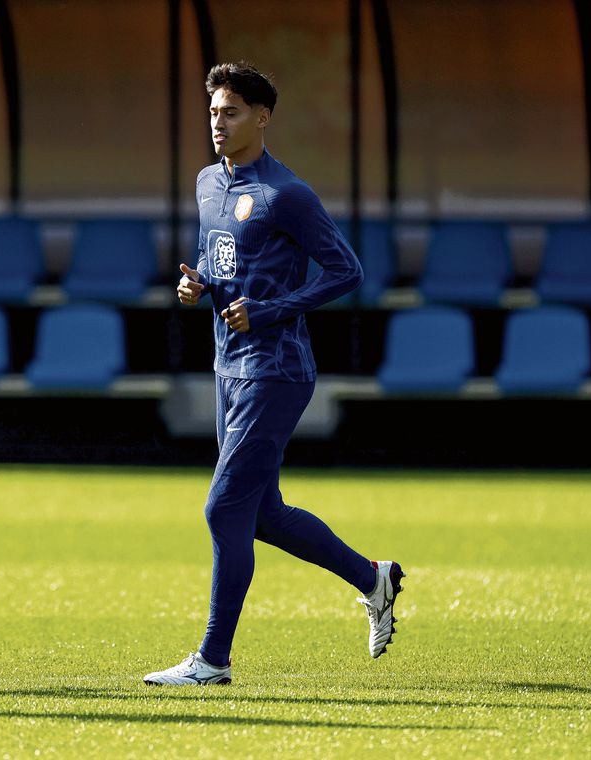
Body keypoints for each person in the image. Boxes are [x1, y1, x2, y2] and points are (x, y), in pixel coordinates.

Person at [144, 63, 403, 686]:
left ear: (262, 117)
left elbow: (345, 271)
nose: (218, 122)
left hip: (277, 368)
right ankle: (374, 578)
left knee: (222, 507)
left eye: (230, 112)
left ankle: (212, 660)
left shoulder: (289, 193)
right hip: (226, 368)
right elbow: (219, 258)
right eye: (212, 111)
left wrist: (270, 310)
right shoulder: (209, 183)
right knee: (261, 513)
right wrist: (197, 284)